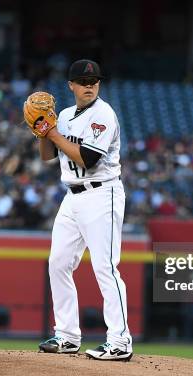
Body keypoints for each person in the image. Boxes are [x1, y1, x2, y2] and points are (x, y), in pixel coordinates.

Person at [30, 59, 133, 360]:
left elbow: (87, 157)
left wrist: (52, 133)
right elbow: (47, 155)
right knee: (58, 263)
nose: (90, 86)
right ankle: (67, 335)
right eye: (84, 82)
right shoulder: (62, 116)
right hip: (72, 196)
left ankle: (120, 341)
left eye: (95, 81)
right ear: (71, 86)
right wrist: (41, 130)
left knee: (105, 267)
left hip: (102, 193)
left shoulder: (104, 115)